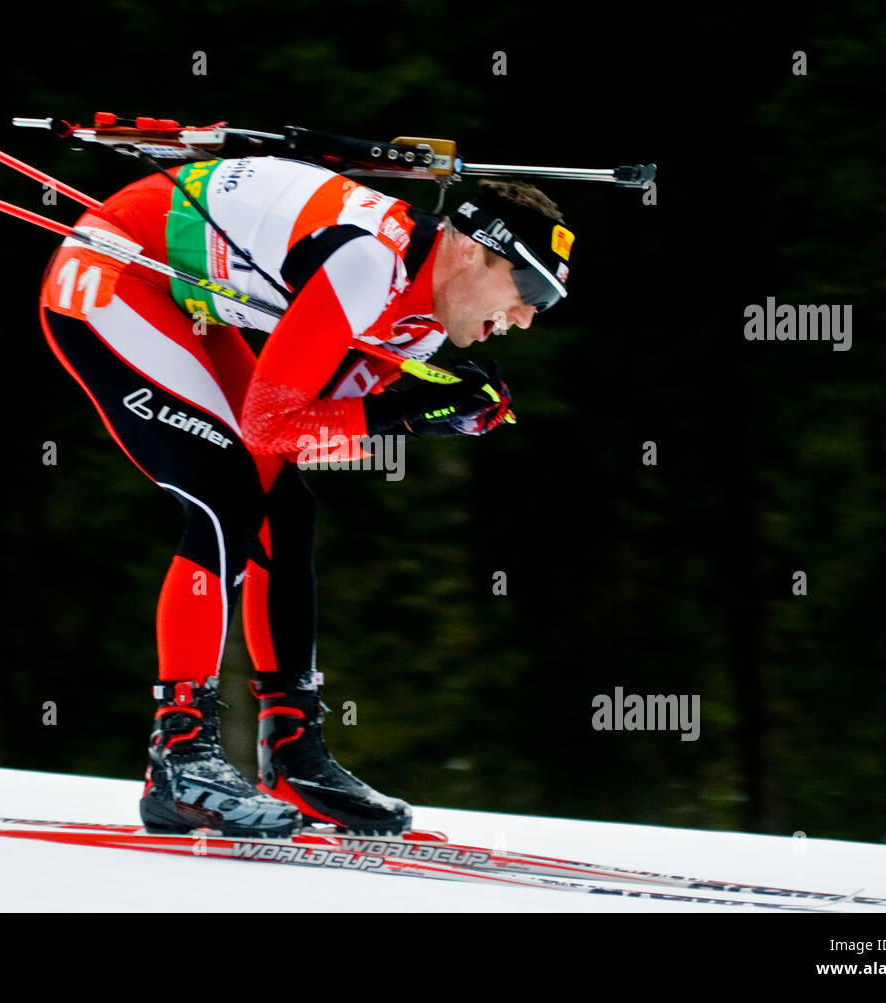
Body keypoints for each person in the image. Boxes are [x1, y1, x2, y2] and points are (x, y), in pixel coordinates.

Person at [37, 154, 572, 837]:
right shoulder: (368, 264)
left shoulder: (426, 319)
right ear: (470, 250)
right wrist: (413, 414)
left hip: (176, 299)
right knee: (225, 493)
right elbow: (274, 421)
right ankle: (179, 757)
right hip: (112, 277)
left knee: (284, 506)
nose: (527, 316)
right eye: (527, 285)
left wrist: (433, 413)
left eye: (545, 302)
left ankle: (291, 753)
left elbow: (304, 430)